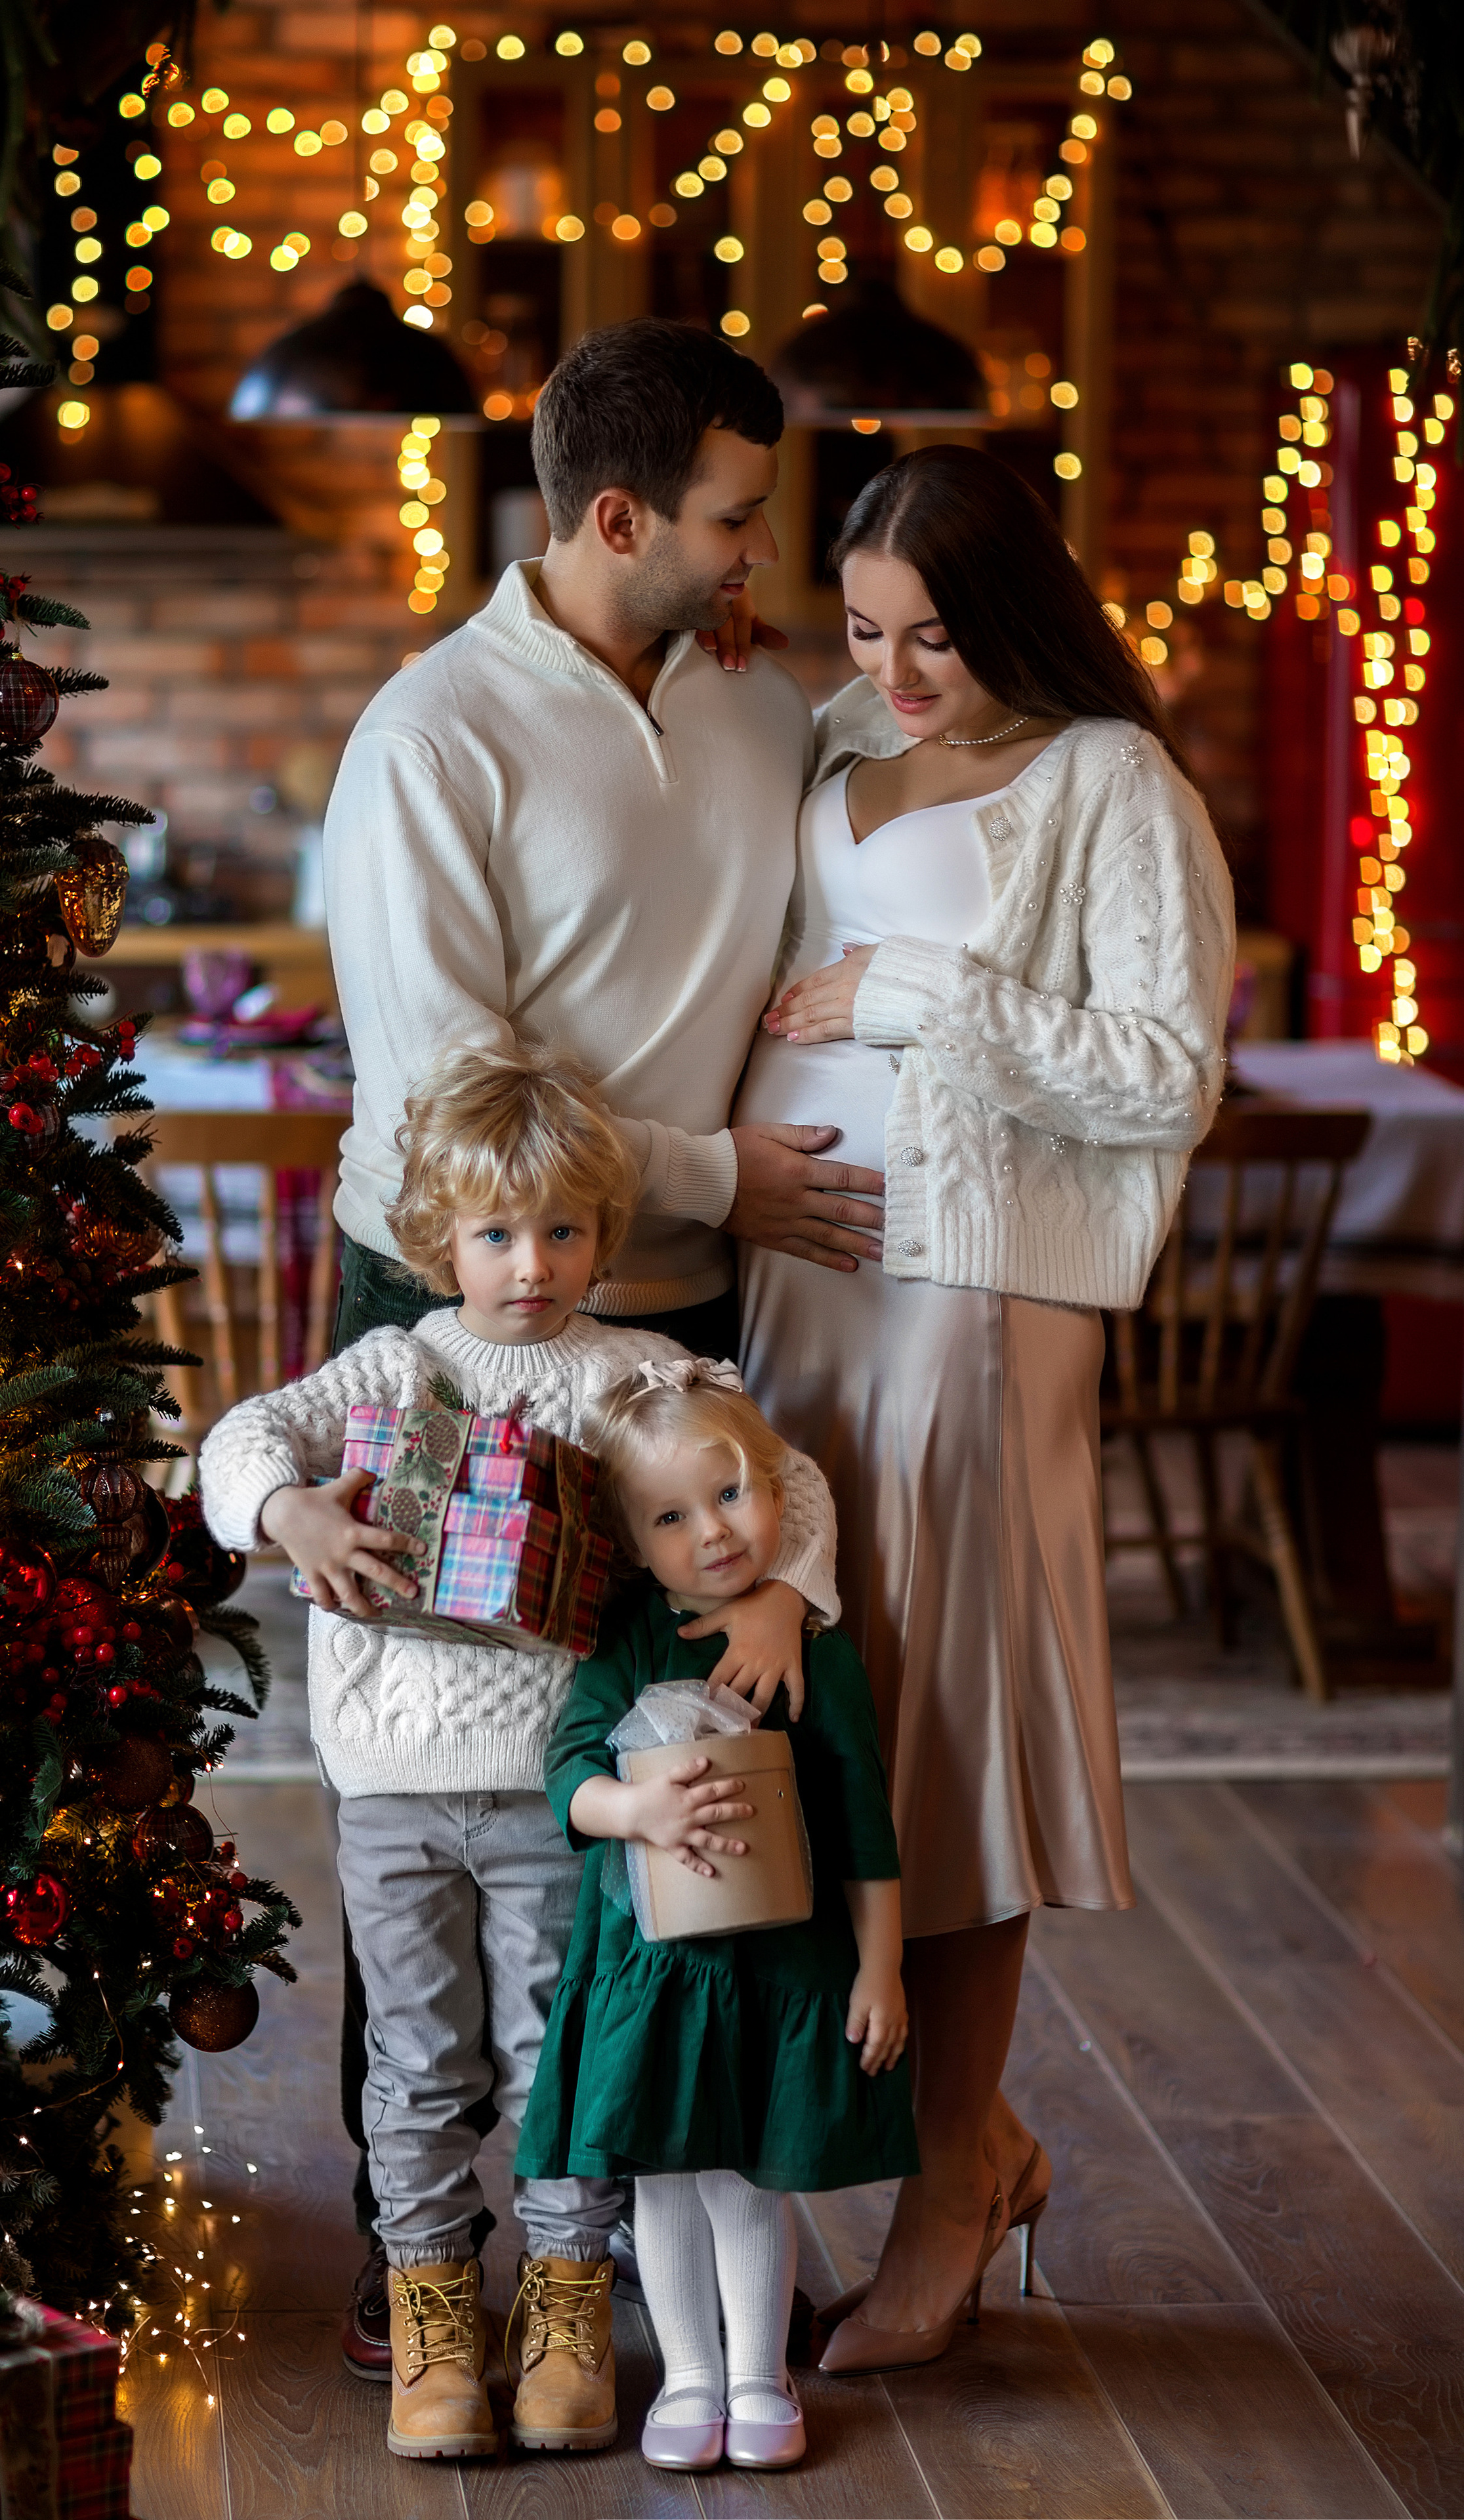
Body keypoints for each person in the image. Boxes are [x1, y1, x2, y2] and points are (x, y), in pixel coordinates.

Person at [320, 314, 884, 2370]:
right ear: (619, 515)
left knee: (690, 1773)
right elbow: (456, 1103)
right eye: (734, 519)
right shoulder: (432, 737)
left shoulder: (755, 700)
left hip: (684, 1344)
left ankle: (665, 2230)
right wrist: (727, 1171)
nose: (765, 553)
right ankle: (429, 2276)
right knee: (448, 1791)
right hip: (460, 1320)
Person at [729, 444, 1236, 2369]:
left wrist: (915, 991)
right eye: (866, 628)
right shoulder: (832, 730)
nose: (898, 671)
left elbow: (1167, 1077)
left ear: (1013, 605)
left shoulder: (1114, 780)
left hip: (975, 1302)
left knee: (952, 1736)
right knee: (823, 1713)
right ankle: (977, 2142)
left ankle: (948, 2193)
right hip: (805, 1286)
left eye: (934, 634)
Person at [198, 1043, 839, 2463]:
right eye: (494, 1232)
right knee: (419, 2059)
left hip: (570, 1795)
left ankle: (565, 2296)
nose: (528, 1263)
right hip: (391, 1791)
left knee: (557, 2048)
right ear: (440, 1238)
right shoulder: (391, 1363)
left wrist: (791, 1593)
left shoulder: (633, 1381)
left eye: (560, 1230)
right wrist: (289, 1514)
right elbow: (238, 1438)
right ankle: (434, 2307)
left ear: (603, 1237)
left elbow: (780, 1478)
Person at [518, 1364, 917, 2472]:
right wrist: (631, 1806)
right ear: (635, 1544)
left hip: (779, 1967)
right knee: (663, 2175)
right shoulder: (629, 1642)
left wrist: (879, 1969)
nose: (714, 1532)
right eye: (674, 1517)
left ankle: (757, 2374)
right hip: (652, 1968)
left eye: (734, 1495)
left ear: (780, 1494)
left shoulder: (813, 1655)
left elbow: (863, 1827)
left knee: (747, 2174)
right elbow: (566, 1775)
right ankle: (691, 2373)